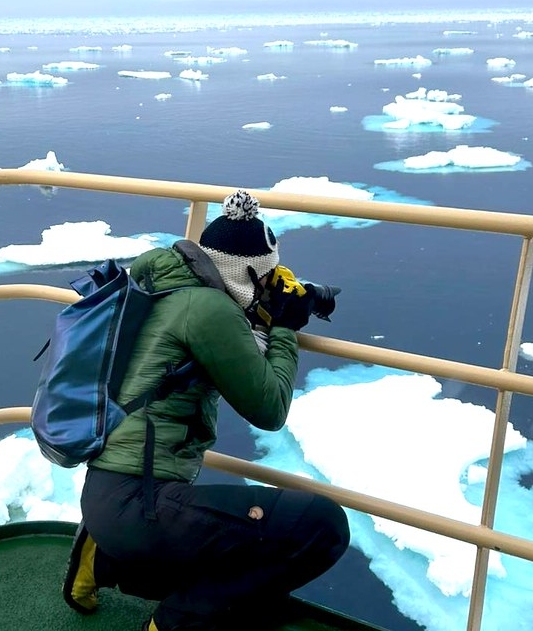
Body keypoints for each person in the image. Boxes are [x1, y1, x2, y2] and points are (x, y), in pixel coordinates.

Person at [63, 189, 351, 631]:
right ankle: (176, 622)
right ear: (247, 274)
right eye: (267, 278)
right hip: (142, 507)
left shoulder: (164, 283)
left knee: (233, 546)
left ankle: (103, 559)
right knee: (321, 527)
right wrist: (287, 329)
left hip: (109, 495)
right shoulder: (208, 310)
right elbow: (270, 409)